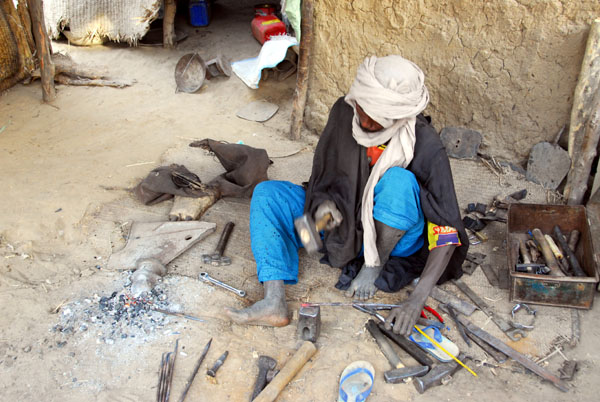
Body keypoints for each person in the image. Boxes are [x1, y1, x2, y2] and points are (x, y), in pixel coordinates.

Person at [225, 55, 468, 336]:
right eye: (361, 109)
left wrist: (416, 300)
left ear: (398, 116)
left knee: (398, 181)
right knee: (267, 195)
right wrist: (315, 228)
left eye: (374, 118)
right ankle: (274, 300)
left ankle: (372, 266)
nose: (363, 120)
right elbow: (327, 182)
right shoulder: (344, 112)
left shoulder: (425, 144)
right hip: (341, 221)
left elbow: (446, 228)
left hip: (395, 237)